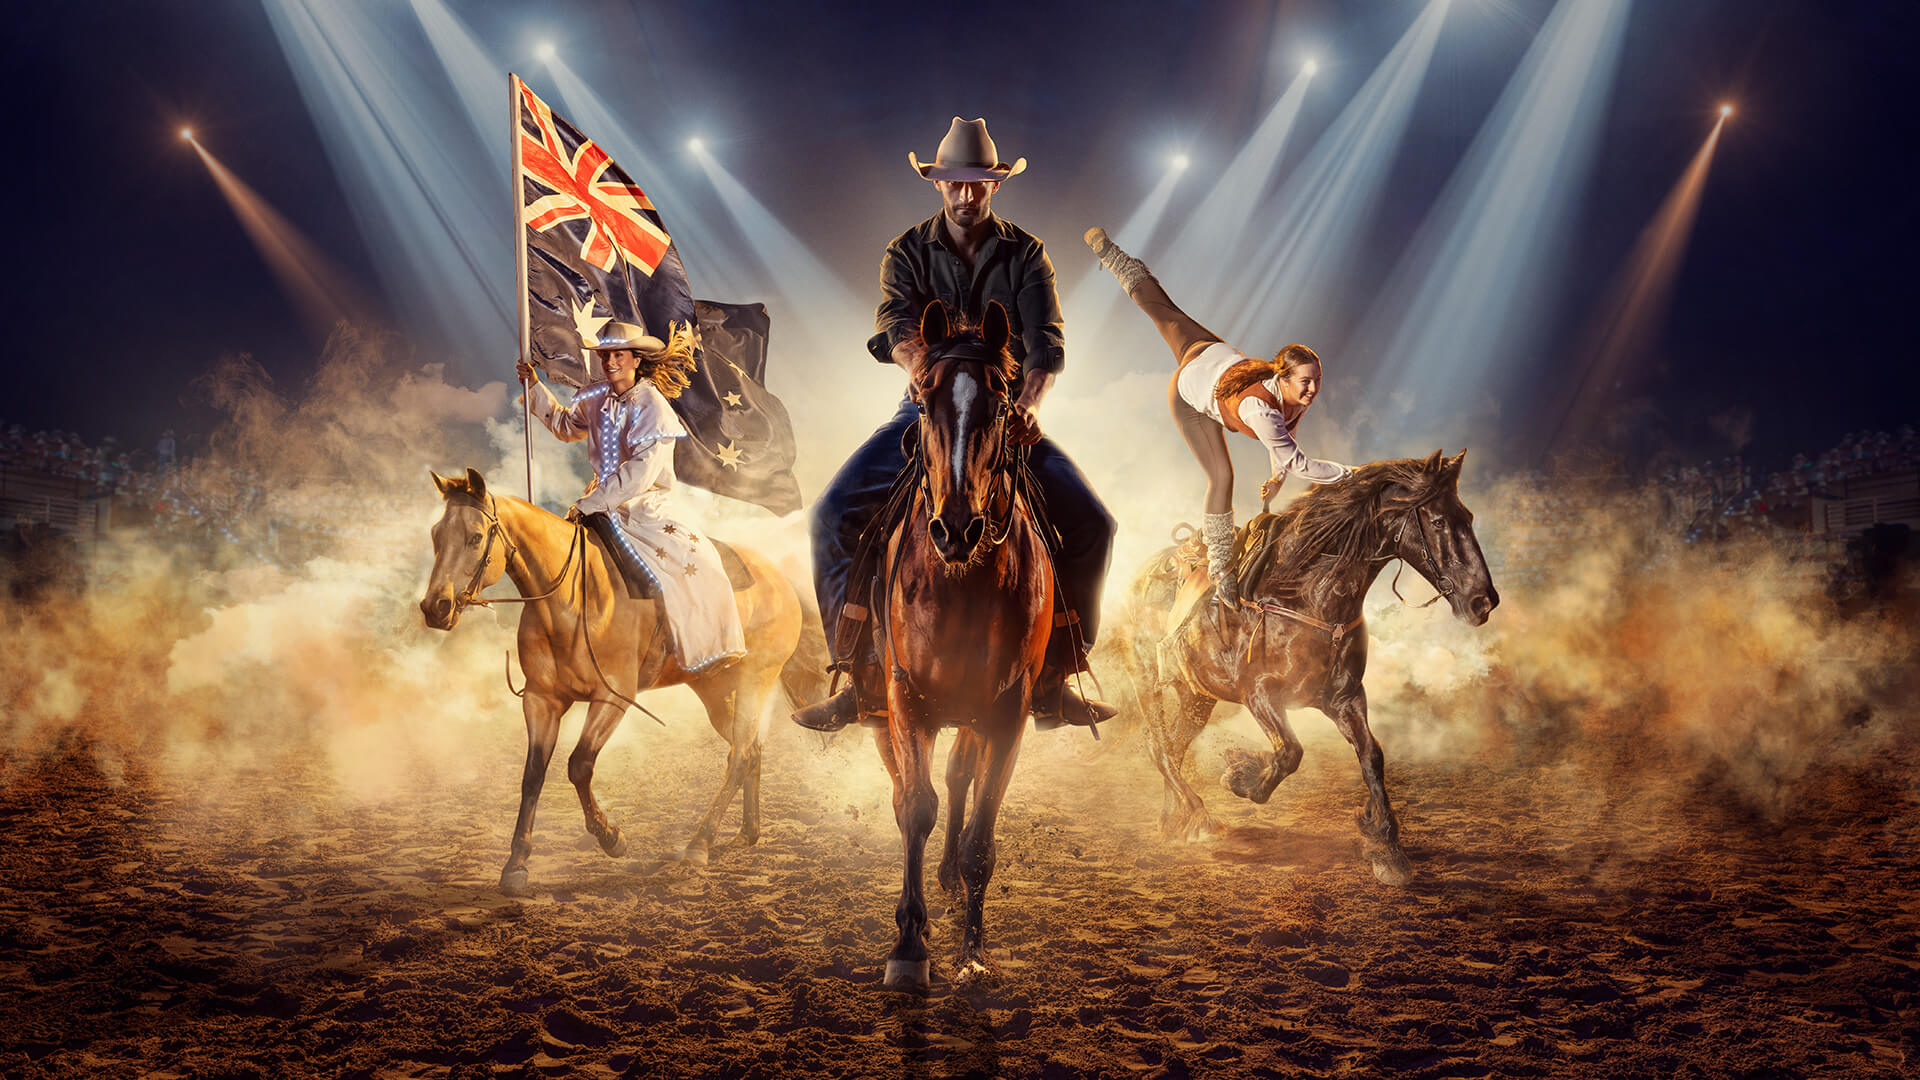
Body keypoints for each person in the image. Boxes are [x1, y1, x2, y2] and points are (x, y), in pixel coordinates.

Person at [793, 117, 1117, 733]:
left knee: (1094, 524)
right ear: (938, 185)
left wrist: (1028, 406)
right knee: (831, 517)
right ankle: (855, 672)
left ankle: (1057, 671)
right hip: (927, 410)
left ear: (995, 187)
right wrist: (919, 367)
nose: (967, 197)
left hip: (1005, 412)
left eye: (979, 187)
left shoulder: (1026, 253)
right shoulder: (907, 250)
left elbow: (1046, 343)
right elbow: (895, 322)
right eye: (955, 185)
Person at [1083, 227, 1351, 603]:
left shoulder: (1293, 397)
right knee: (1222, 475)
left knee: (1162, 306)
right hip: (1191, 396)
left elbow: (1284, 446)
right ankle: (1222, 567)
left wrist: (1277, 477)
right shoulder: (1260, 409)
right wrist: (1352, 474)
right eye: (1306, 382)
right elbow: (1300, 461)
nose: (1312, 390)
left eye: (1317, 382)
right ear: (1282, 376)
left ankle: (1107, 250)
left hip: (1211, 351)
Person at [516, 320, 745, 673]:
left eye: (617, 355)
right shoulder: (593, 397)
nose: (609, 362)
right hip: (597, 504)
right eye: (605, 355)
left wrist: (590, 504)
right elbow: (565, 427)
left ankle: (709, 643)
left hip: (645, 507)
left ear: (635, 360)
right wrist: (534, 388)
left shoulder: (652, 405)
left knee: (695, 560)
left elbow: (642, 471)